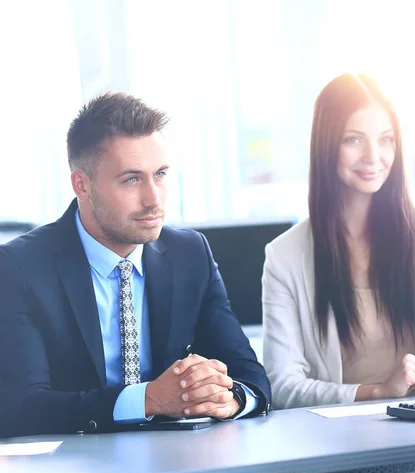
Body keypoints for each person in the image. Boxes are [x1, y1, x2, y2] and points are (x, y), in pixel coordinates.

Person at [0, 93, 271, 438]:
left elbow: (250, 376)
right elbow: (20, 407)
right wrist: (147, 400)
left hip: (182, 461)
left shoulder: (190, 254)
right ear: (82, 185)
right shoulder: (19, 267)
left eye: (160, 174)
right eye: (131, 179)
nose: (154, 199)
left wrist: (229, 398)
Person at [261, 73, 415, 410]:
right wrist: (378, 390)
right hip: (337, 445)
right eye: (354, 140)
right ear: (326, 144)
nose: (374, 156)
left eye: (386, 139)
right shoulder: (285, 255)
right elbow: (282, 385)